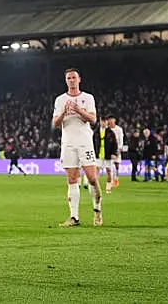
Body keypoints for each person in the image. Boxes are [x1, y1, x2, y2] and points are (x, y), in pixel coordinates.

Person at [52, 68, 102, 227]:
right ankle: (74, 217)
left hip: (84, 142)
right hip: (68, 143)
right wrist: (64, 113)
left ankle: (97, 209)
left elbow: (93, 119)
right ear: (66, 81)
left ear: (79, 79)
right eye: (68, 78)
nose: (71, 80)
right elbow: (55, 123)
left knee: (92, 178)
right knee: (72, 180)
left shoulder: (87, 98)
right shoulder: (60, 100)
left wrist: (79, 110)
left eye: (74, 77)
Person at [92, 117, 118, 193]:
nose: (103, 123)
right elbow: (93, 143)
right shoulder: (96, 132)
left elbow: (114, 144)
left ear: (107, 122)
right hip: (99, 154)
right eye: (102, 121)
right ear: (100, 122)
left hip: (108, 154)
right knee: (96, 171)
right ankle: (96, 187)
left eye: (104, 121)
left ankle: (108, 188)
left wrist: (114, 153)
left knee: (109, 171)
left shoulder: (111, 132)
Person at [107, 115, 124, 188]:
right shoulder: (107, 129)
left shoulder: (119, 129)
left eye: (112, 119)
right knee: (109, 166)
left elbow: (121, 139)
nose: (110, 121)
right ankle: (110, 181)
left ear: (114, 120)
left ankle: (116, 178)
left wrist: (120, 149)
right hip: (109, 150)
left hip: (117, 149)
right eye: (109, 120)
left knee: (117, 165)